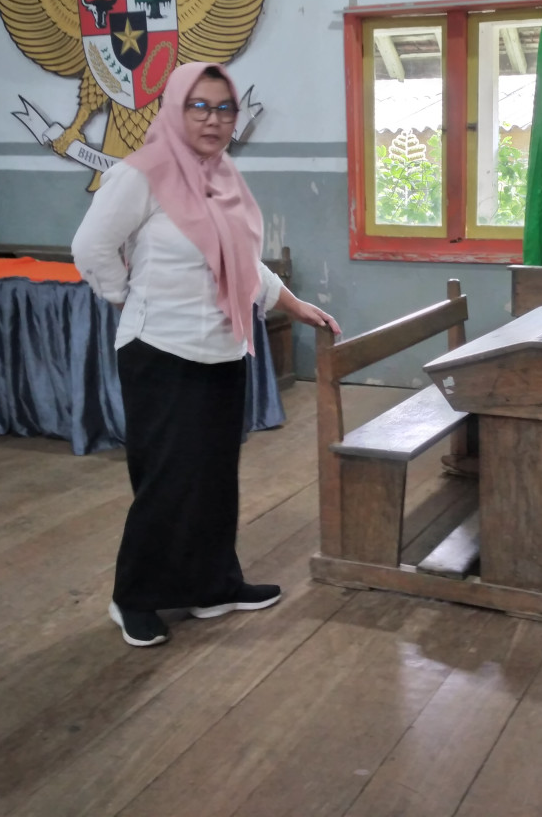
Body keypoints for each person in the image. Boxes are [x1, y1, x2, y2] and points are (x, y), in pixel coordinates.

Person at [71, 61, 339, 647]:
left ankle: (212, 585)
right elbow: (90, 247)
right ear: (173, 108)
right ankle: (133, 598)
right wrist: (129, 300)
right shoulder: (141, 174)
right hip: (160, 351)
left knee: (215, 478)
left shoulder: (224, 178)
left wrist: (292, 304)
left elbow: (245, 262)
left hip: (223, 349)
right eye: (199, 105)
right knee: (167, 480)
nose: (213, 119)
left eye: (223, 108)